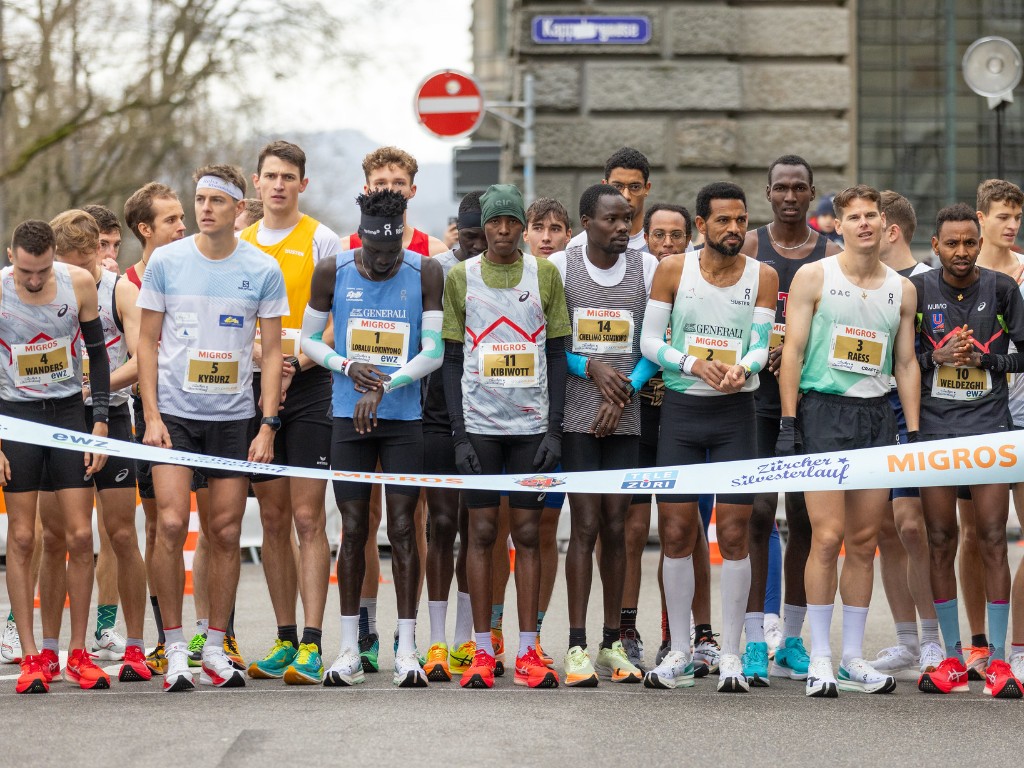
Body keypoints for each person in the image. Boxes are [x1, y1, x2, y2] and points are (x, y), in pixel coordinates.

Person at [137, 164, 288, 692]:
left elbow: (272, 353)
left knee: (224, 533)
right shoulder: (166, 262)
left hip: (232, 417)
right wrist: (151, 417)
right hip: (175, 417)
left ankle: (216, 644)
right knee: (173, 525)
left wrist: (267, 424)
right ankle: (175, 646)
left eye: (216, 201)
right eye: (199, 199)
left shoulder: (262, 268)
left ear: (237, 210)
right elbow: (146, 343)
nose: (203, 209)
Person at [778, 184, 920, 697]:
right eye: (854, 217)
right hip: (822, 413)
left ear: (886, 224)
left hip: (876, 418)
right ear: (837, 225)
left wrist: (914, 432)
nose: (864, 223)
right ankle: (819, 656)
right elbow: (791, 351)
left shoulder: (902, 290)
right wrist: (789, 423)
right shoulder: (815, 276)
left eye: (872, 216)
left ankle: (854, 659)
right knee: (827, 536)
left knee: (864, 542)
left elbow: (905, 363)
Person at [301, 188, 444, 688]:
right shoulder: (331, 270)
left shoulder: (425, 271)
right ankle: (348, 649)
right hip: (347, 416)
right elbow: (307, 341)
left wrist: (386, 384)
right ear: (360, 237)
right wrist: (346, 365)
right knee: (354, 529)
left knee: (405, 528)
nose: (384, 262)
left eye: (392, 252)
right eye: (375, 252)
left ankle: (407, 648)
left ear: (403, 237)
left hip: (403, 418)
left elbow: (434, 352)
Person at [639, 182, 778, 692]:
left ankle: (735, 654)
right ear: (702, 226)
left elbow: (762, 346)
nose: (734, 229)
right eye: (723, 220)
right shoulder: (673, 269)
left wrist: (741, 368)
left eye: (741, 220)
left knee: (736, 536)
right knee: (675, 534)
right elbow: (649, 341)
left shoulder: (762, 275)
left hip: (735, 415)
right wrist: (692, 363)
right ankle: (679, 650)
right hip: (680, 413)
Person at [441, 183, 569, 690]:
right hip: (479, 427)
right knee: (480, 534)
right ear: (484, 225)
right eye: (494, 222)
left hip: (532, 427)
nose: (502, 230)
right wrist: (458, 436)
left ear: (522, 225)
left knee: (530, 536)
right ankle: (480, 649)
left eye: (511, 221)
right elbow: (451, 360)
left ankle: (529, 649)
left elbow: (557, 355)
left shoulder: (545, 273)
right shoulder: (461, 277)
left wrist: (555, 431)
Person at [911, 203, 1024, 698]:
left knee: (993, 535)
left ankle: (998, 661)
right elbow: (901, 359)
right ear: (934, 246)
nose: (961, 251)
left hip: (988, 428)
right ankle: (953, 658)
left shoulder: (1002, 288)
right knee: (940, 537)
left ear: (980, 243)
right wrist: (934, 357)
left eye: (969, 242)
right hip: (936, 430)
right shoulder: (916, 290)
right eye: (951, 243)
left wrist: (990, 359)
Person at [339, 146, 445, 669]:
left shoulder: (434, 252)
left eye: (398, 182)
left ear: (412, 189)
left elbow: (439, 339)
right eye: (380, 181)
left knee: (409, 521)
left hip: (412, 403)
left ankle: (411, 636)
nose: (389, 188)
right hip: (352, 401)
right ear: (366, 187)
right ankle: (363, 627)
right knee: (360, 519)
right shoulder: (343, 251)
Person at [239, 141, 340, 686]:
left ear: (302, 183)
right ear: (256, 184)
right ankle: (282, 638)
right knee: (272, 520)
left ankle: (312, 642)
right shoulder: (242, 243)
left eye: (289, 177)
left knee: (308, 518)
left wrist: (297, 361)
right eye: (270, 176)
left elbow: (332, 318)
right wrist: (262, 357)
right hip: (255, 387)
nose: (279, 185)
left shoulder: (322, 239)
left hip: (310, 384)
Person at [35, 210, 150, 685]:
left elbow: (143, 360)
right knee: (55, 537)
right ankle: (47, 646)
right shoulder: (48, 285)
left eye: (77, 263)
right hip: (57, 420)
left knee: (120, 534)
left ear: (91, 255)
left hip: (112, 415)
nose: (69, 273)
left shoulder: (119, 289)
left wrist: (92, 391)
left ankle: (137, 645)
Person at [551, 184, 658, 686]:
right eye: (612, 219)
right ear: (586, 221)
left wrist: (624, 392)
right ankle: (575, 644)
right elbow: (551, 346)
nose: (623, 227)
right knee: (586, 525)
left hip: (625, 416)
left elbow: (656, 343)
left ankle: (612, 642)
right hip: (577, 415)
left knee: (618, 527)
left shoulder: (648, 268)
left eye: (628, 218)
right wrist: (589, 366)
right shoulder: (561, 268)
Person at [739, 155, 840, 684]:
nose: (790, 196)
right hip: (755, 398)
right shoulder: (752, 246)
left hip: (811, 401)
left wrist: (797, 356)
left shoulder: (832, 255)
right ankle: (756, 638)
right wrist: (762, 352)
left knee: (804, 518)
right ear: (768, 192)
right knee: (758, 514)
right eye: (781, 187)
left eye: (800, 188)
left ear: (812, 193)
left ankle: (794, 640)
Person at [0, 219, 111, 694]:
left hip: (68, 415)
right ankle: (30, 656)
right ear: (11, 257)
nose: (34, 279)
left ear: (54, 261)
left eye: (42, 270)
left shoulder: (78, 282)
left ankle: (78, 651)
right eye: (26, 270)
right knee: (23, 538)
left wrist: (101, 420)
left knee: (80, 534)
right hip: (16, 418)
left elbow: (99, 353)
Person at [635, 203, 720, 675]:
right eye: (659, 235)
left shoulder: (698, 280)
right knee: (642, 531)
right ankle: (629, 630)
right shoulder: (639, 279)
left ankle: (694, 634)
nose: (667, 243)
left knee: (691, 530)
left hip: (689, 415)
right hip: (642, 418)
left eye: (676, 235)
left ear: (691, 237)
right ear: (645, 238)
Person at [871, 191, 942, 681]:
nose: (856, 232)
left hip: (918, 418)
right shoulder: (859, 282)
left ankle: (937, 638)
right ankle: (906, 641)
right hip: (868, 412)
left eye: (868, 223)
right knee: (883, 532)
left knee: (915, 527)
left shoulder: (929, 285)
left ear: (890, 231)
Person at [421, 191, 488, 682]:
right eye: (467, 238)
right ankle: (438, 640)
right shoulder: (436, 271)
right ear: (455, 235)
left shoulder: (519, 272)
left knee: (479, 529)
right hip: (437, 414)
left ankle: (470, 638)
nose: (477, 247)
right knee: (440, 525)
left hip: (492, 417)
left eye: (485, 238)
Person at [122, 181, 188, 674]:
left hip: (208, 410)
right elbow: (142, 353)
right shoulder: (131, 282)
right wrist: (89, 386)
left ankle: (217, 632)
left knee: (212, 528)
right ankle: (166, 634)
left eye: (183, 217)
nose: (182, 226)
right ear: (145, 229)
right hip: (155, 416)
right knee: (159, 526)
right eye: (171, 220)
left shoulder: (195, 266)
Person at [962, 179, 1024, 678]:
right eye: (1003, 216)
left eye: (1017, 218)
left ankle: (1016, 644)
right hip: (971, 417)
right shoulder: (960, 275)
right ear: (980, 219)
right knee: (973, 534)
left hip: (1022, 417)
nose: (1011, 225)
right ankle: (979, 643)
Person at [566, 147, 651, 253]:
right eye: (617, 186)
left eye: (634, 187)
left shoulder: (662, 244)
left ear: (647, 188)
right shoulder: (578, 246)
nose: (625, 196)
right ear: (604, 185)